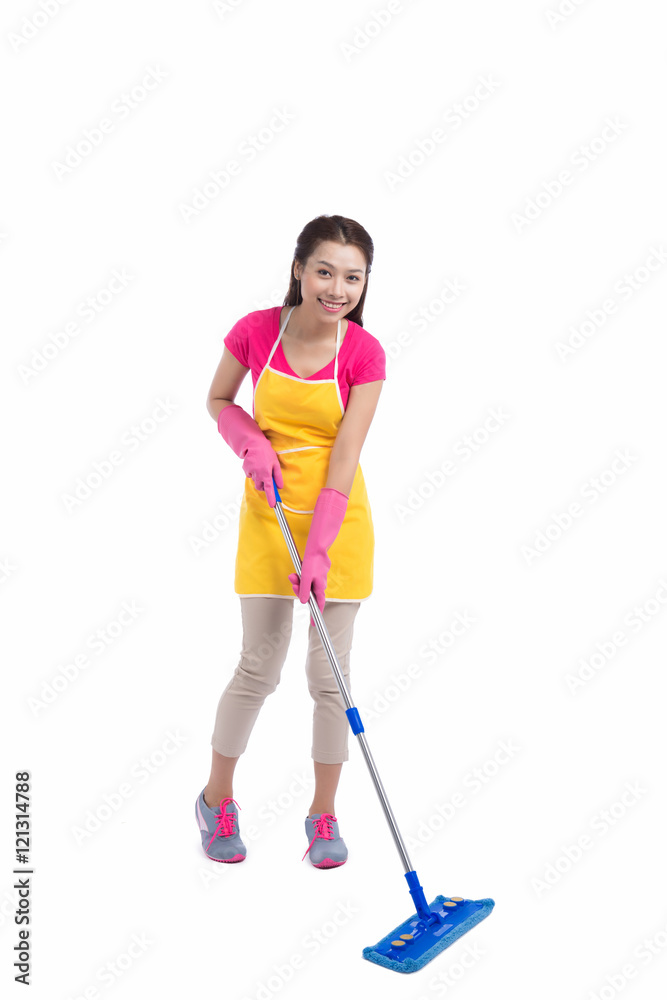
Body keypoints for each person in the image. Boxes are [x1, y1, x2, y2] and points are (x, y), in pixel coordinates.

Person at [195, 214, 386, 868]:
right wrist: (247, 441)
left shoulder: (363, 353)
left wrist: (321, 550)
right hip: (268, 514)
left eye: (352, 276)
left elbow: (344, 457)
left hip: (336, 525)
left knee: (330, 681)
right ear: (299, 269)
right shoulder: (255, 332)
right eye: (325, 271)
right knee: (259, 666)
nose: (337, 288)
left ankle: (323, 814)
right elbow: (219, 399)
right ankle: (216, 797)